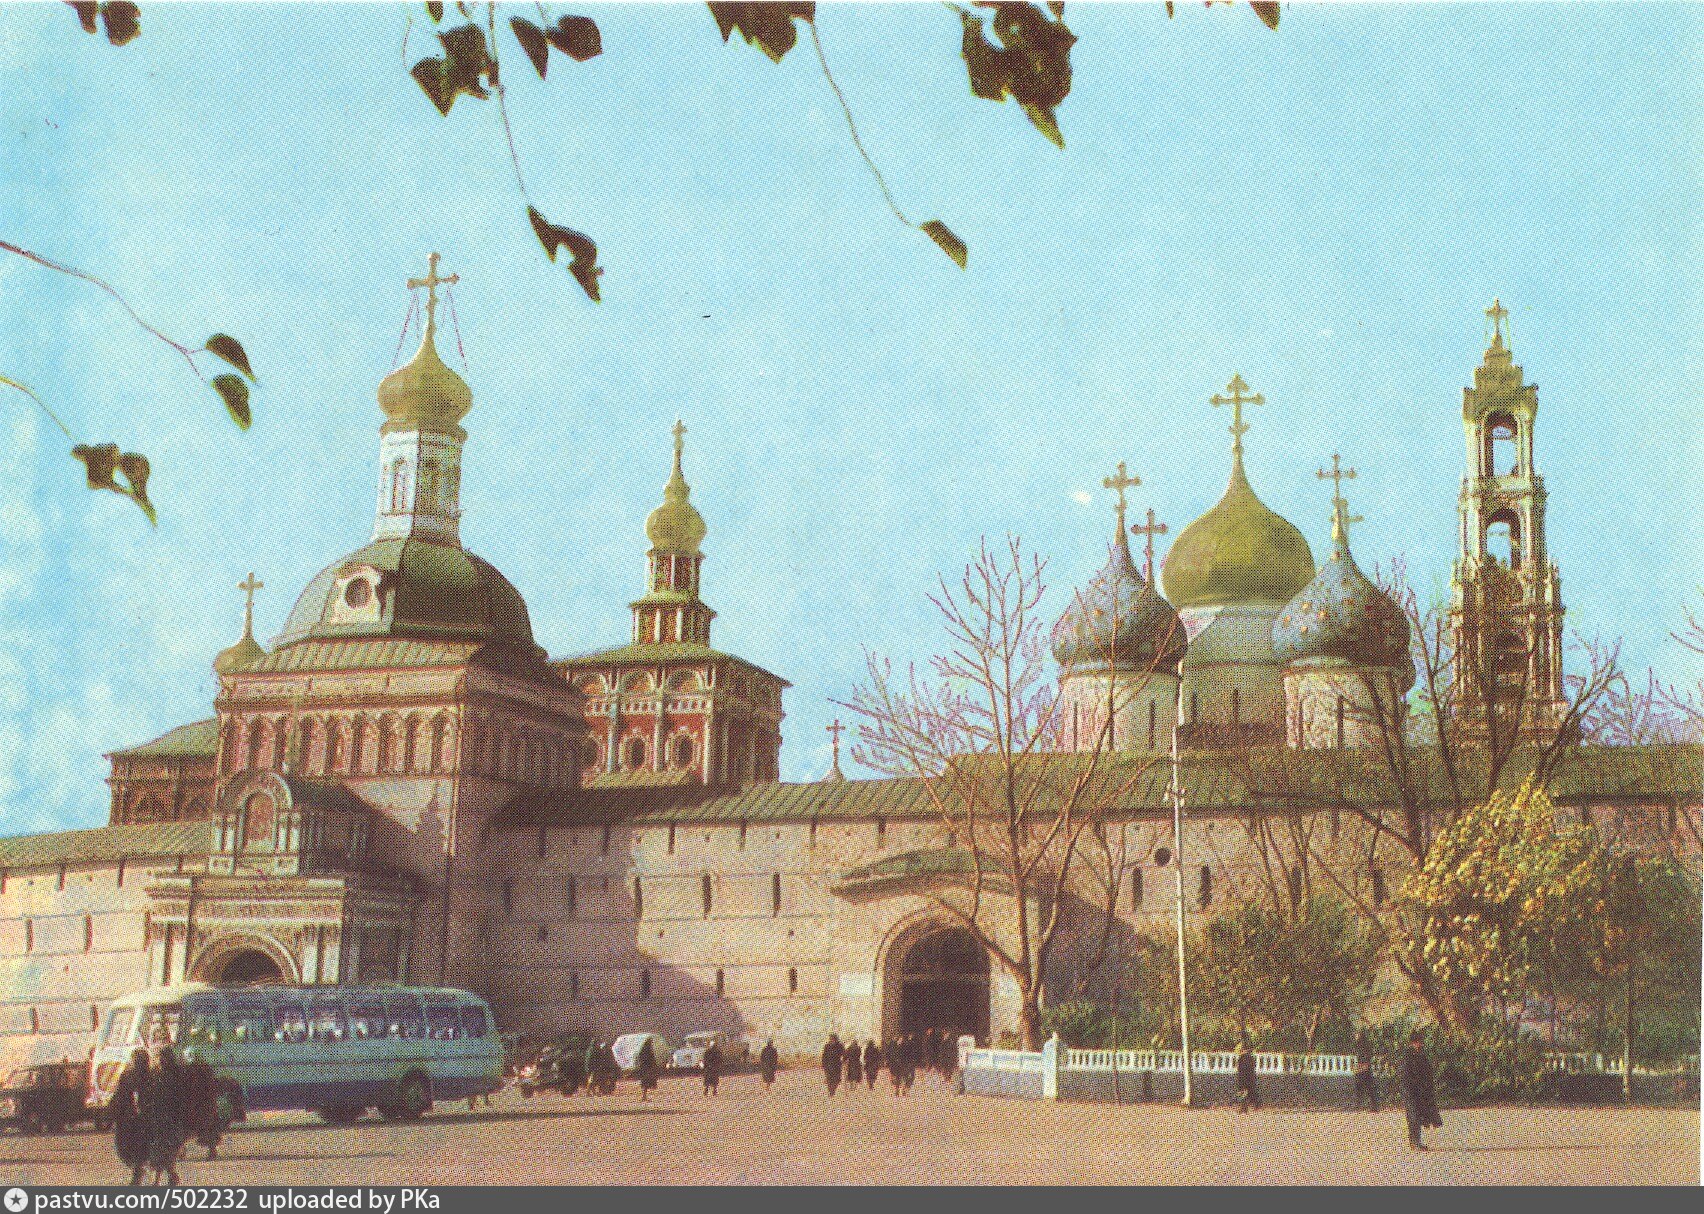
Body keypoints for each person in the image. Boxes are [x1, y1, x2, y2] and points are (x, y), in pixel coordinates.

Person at [141, 1040, 184, 1186]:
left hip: (170, 1118)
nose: (161, 1060)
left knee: (166, 1149)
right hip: (159, 1117)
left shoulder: (175, 1075)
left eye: (163, 1057)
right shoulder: (157, 1074)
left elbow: (180, 1098)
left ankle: (166, 1176)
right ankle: (164, 1177)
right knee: (159, 1149)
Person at [111, 1047, 150, 1186]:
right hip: (132, 1118)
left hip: (139, 1118)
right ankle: (138, 1171)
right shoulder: (130, 1076)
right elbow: (120, 1096)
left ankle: (138, 1172)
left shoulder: (147, 1076)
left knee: (137, 1146)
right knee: (132, 1146)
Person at [178, 1049, 224, 1161]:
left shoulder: (186, 1070)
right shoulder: (204, 1069)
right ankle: (211, 1149)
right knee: (206, 1127)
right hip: (202, 1104)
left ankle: (182, 1150)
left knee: (185, 1128)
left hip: (195, 1104)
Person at [1401, 1030, 1442, 1150]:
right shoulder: (1407, 1056)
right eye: (1417, 1042)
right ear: (1412, 1043)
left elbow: (1427, 1073)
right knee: (1413, 1116)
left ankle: (1416, 1141)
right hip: (1410, 1091)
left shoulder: (1421, 1055)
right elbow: (1405, 1074)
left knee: (1417, 1116)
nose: (1419, 1044)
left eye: (1420, 1042)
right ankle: (1414, 1142)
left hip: (1420, 1091)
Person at [1353, 1031, 1380, 1113]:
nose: (1355, 1036)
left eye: (1356, 1035)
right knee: (1367, 1088)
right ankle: (1369, 1106)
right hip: (1364, 1068)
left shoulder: (1362, 1046)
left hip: (1364, 1068)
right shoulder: (1362, 1046)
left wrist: (1361, 1067)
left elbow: (1365, 1058)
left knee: (1364, 1088)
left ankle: (1364, 1106)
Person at [1234, 1037, 1261, 1113]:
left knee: (1243, 1092)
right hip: (1248, 1077)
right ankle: (1245, 1107)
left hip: (1244, 1077)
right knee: (1248, 1091)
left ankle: (1244, 1107)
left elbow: (1240, 1069)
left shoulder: (1243, 1058)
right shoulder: (1250, 1058)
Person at [635, 1038, 660, 1102]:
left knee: (645, 1083)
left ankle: (644, 1096)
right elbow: (651, 1060)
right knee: (646, 1083)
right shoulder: (648, 1051)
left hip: (644, 1069)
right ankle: (644, 1097)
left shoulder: (642, 1051)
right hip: (648, 1069)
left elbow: (640, 1059)